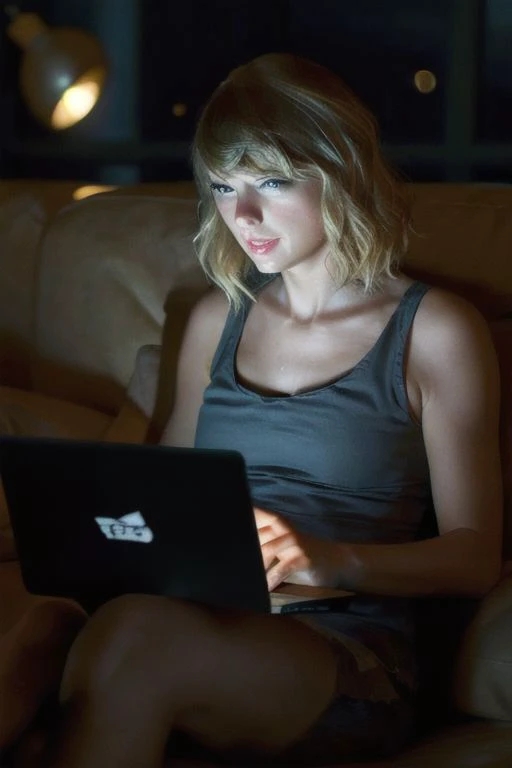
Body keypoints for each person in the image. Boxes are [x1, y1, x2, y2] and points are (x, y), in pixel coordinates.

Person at [0, 52, 503, 767]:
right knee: (47, 626)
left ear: (341, 174)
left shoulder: (435, 331)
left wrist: (330, 560)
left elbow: (475, 556)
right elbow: (161, 503)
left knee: (137, 634)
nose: (245, 216)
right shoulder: (216, 320)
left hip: (341, 653)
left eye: (271, 181)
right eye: (225, 186)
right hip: (196, 617)